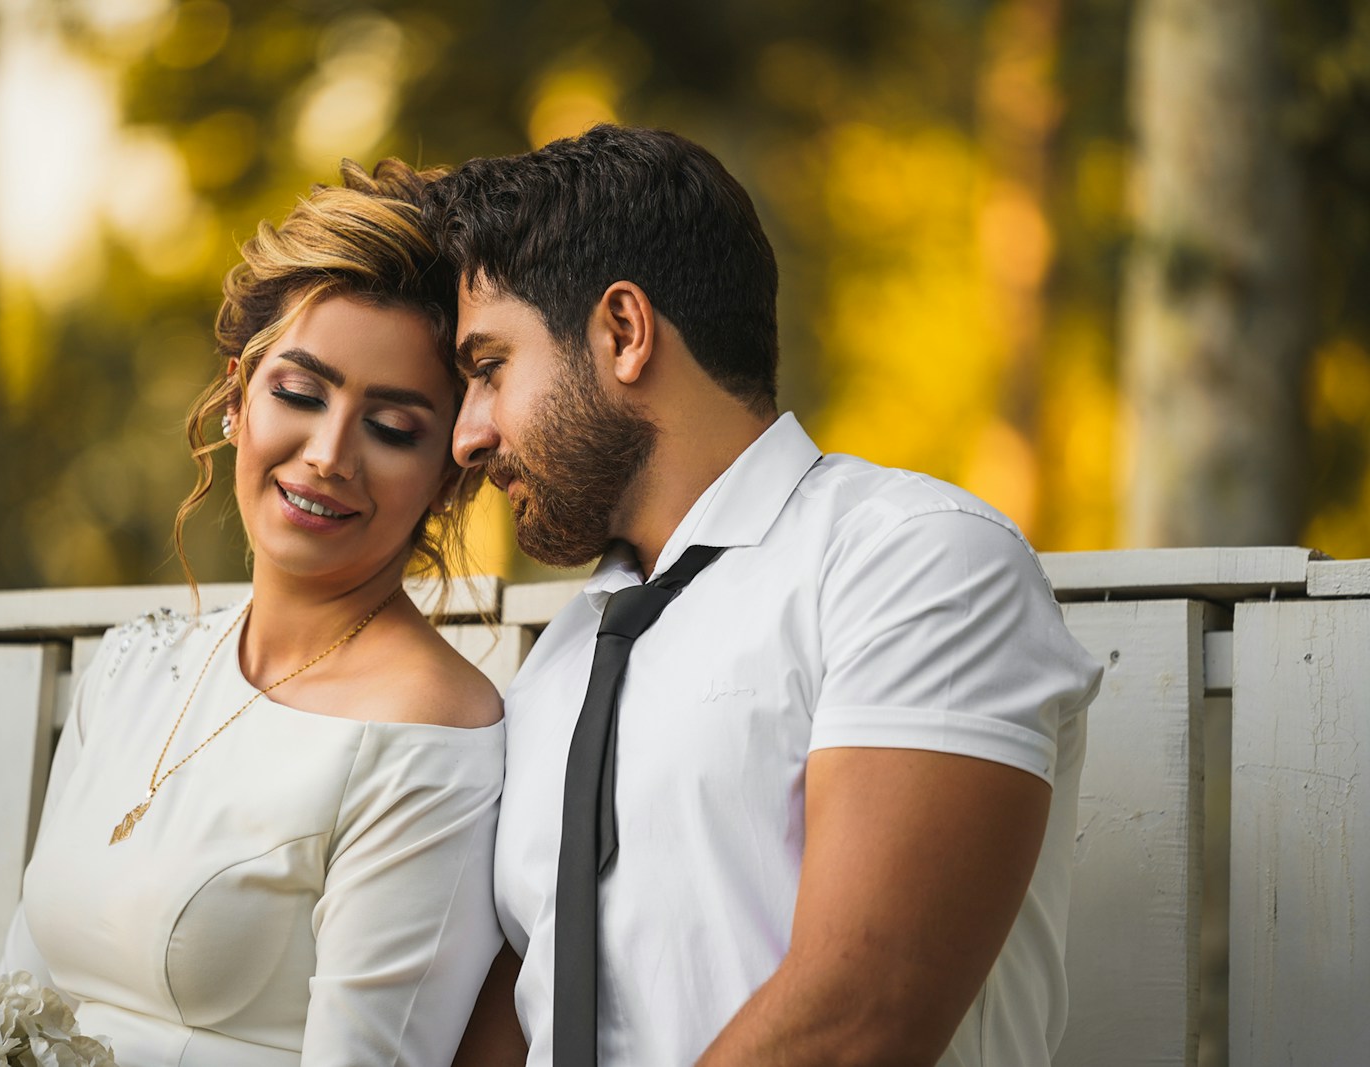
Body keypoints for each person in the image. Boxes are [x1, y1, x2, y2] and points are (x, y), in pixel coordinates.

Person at [428, 125, 1104, 1067]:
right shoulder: (561, 663)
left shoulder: (914, 561)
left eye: (489, 367)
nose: (466, 436)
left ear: (622, 332)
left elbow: (861, 1013)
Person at [1, 159, 504, 1067]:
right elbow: (17, 999)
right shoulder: (132, 669)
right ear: (238, 395)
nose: (329, 455)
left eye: (393, 428)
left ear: (448, 474)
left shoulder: (429, 735)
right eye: (300, 394)